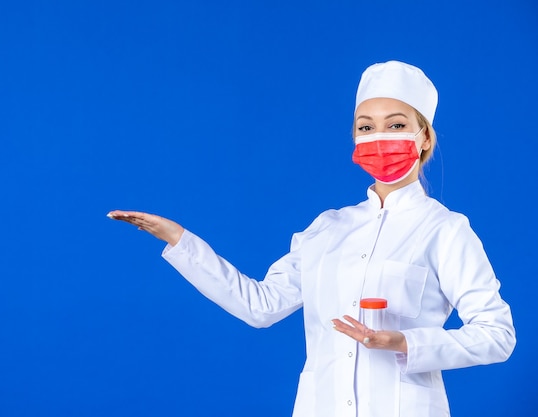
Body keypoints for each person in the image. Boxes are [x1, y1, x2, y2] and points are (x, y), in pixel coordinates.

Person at [107, 60, 516, 417]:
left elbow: (497, 334)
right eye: (365, 127)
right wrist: (180, 240)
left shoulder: (444, 229)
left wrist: (406, 342)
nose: (379, 137)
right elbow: (259, 306)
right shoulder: (328, 228)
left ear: (423, 137)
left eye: (396, 125)